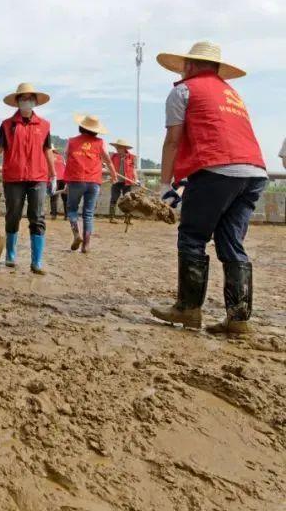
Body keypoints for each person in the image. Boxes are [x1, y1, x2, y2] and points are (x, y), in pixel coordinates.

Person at [149, 42, 267, 335]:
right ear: (216, 68)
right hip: (253, 172)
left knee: (192, 235)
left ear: (189, 66)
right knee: (231, 242)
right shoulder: (232, 94)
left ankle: (188, 308)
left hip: (216, 168)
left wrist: (166, 184)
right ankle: (238, 318)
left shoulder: (183, 91)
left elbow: (173, 141)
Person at [0, 83, 55, 274]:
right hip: (13, 177)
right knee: (13, 215)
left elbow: (47, 149)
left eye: (30, 98)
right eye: (23, 98)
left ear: (35, 101)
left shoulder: (44, 125)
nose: (27, 101)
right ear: (17, 102)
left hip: (38, 176)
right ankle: (10, 255)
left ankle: (37, 262)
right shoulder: (7, 125)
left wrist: (53, 173)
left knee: (37, 217)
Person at [64, 115, 116, 253]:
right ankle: (86, 245)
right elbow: (108, 161)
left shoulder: (71, 141)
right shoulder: (100, 142)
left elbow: (67, 159)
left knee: (72, 209)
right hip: (93, 181)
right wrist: (114, 175)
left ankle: (76, 234)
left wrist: (66, 181)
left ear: (81, 126)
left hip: (76, 180)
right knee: (88, 214)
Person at [107, 138, 138, 223]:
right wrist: (111, 175)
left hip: (127, 182)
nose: (117, 149)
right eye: (117, 147)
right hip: (116, 181)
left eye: (119, 147)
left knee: (128, 200)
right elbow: (109, 166)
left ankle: (127, 219)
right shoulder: (113, 156)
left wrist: (136, 179)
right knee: (114, 198)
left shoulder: (131, 157)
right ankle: (112, 218)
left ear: (125, 148)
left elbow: (134, 169)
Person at [49, 145, 67, 219]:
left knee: (54, 198)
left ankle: (54, 215)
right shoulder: (61, 157)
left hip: (55, 178)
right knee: (65, 197)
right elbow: (65, 166)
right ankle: (67, 216)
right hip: (64, 178)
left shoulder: (48, 156)